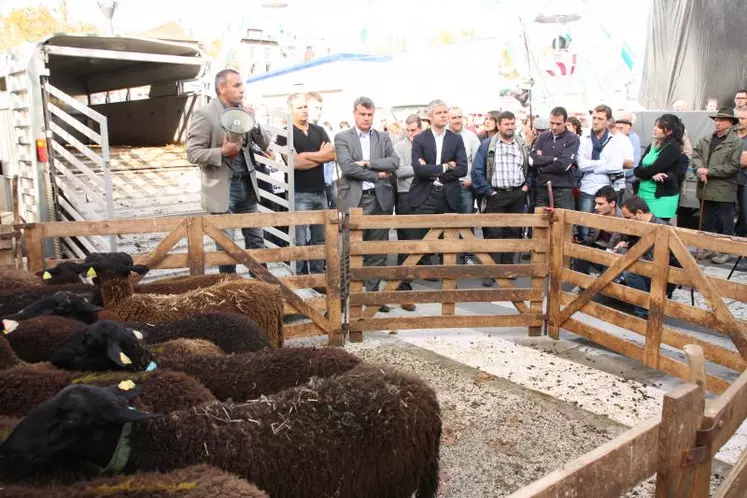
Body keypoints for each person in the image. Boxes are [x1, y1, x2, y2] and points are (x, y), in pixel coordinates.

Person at [186, 68, 270, 274]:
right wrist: (222, 152)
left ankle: (262, 288)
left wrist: (254, 122)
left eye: (242, 85)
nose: (242, 90)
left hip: (247, 184)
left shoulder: (244, 111)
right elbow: (193, 153)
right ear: (221, 88)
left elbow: (265, 143)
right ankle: (229, 289)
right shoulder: (204, 114)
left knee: (257, 239)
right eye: (237, 85)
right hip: (222, 187)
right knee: (225, 245)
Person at [335, 97, 398, 303]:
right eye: (362, 114)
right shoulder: (342, 137)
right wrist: (377, 175)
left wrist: (369, 163)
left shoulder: (383, 137)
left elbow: (394, 162)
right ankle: (343, 299)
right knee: (347, 252)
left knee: (377, 252)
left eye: (370, 115)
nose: (366, 118)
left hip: (380, 200)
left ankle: (371, 300)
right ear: (354, 113)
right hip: (355, 200)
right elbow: (347, 167)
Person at [471, 110, 530, 287]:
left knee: (513, 233)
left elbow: (531, 168)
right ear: (499, 125)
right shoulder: (488, 144)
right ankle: (491, 271)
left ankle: (507, 269)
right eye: (507, 124)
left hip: (517, 194)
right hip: (495, 194)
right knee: (493, 234)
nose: (510, 127)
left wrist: (526, 187)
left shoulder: (522, 144)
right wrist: (489, 192)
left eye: (513, 124)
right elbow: (477, 172)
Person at [281, 93, 336, 274]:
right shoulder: (285, 133)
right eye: (299, 107)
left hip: (320, 192)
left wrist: (305, 156)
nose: (304, 110)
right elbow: (294, 163)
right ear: (291, 110)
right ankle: (300, 276)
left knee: (320, 238)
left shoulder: (318, 130)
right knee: (299, 238)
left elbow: (332, 154)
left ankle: (318, 277)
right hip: (298, 193)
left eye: (305, 106)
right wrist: (319, 157)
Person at [692, 106, 743, 264]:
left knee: (725, 221)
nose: (718, 122)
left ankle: (724, 250)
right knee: (706, 220)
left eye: (722, 120)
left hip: (724, 189)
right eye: (716, 119)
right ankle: (707, 248)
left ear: (731, 123)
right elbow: (696, 154)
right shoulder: (706, 139)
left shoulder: (736, 142)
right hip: (705, 187)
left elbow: (733, 166)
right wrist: (700, 170)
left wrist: (709, 171)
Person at [616, 195, 673, 318]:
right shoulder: (639, 224)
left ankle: (644, 309)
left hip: (664, 272)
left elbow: (653, 260)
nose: (626, 221)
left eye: (628, 217)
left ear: (639, 213)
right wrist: (624, 245)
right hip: (648, 266)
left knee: (630, 271)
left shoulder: (662, 228)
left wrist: (626, 253)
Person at [576, 105, 626, 234]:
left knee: (604, 229)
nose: (596, 121)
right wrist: (604, 163)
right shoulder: (583, 139)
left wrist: (593, 166)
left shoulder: (614, 141)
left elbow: (616, 166)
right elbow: (582, 165)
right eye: (594, 118)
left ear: (608, 121)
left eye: (600, 118)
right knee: (584, 228)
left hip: (606, 188)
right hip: (587, 187)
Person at [392, 114, 423, 311]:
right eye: (408, 130)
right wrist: (421, 167)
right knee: (407, 241)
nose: (411, 134)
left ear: (421, 128)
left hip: (427, 194)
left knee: (422, 239)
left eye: (414, 130)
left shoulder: (427, 143)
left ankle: (413, 275)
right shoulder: (399, 146)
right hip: (405, 194)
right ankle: (403, 284)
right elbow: (399, 171)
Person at [633, 114, 687, 222]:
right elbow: (637, 170)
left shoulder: (673, 148)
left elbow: (654, 168)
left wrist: (648, 172)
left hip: (660, 199)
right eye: (655, 126)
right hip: (643, 194)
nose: (654, 129)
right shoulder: (652, 145)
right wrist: (651, 174)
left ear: (669, 131)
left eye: (658, 127)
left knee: (657, 233)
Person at [448, 106, 481, 265]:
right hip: (446, 186)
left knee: (466, 222)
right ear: (448, 119)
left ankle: (467, 255)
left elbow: (477, 162)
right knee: (447, 222)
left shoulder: (471, 137)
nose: (457, 120)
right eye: (454, 117)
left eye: (459, 117)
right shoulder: (443, 136)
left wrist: (472, 181)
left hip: (464, 186)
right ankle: (448, 257)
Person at [529, 106, 580, 210]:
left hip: (563, 190)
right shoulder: (543, 136)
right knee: (540, 224)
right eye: (552, 123)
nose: (554, 127)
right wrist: (553, 159)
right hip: (543, 189)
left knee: (564, 224)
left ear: (565, 122)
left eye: (558, 124)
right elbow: (532, 160)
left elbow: (563, 165)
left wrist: (542, 167)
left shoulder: (573, 139)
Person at [571, 185, 624, 277]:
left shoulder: (624, 218)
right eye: (595, 203)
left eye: (600, 204)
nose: (596, 207)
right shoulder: (596, 215)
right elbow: (591, 238)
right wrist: (579, 238)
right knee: (579, 253)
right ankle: (583, 286)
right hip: (599, 248)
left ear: (612, 203)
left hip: (615, 254)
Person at [306, 92, 338, 209]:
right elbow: (296, 161)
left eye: (320, 108)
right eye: (315, 108)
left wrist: (308, 156)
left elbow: (331, 155)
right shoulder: (297, 130)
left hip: (327, 180)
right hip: (305, 186)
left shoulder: (323, 130)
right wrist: (321, 155)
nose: (318, 112)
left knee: (332, 215)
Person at [616, 112, 642, 201]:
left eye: (621, 128)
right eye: (616, 128)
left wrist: (617, 174)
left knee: (624, 208)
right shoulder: (615, 138)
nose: (618, 130)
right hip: (614, 180)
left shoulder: (633, 139)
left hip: (627, 181)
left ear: (628, 129)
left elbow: (634, 163)